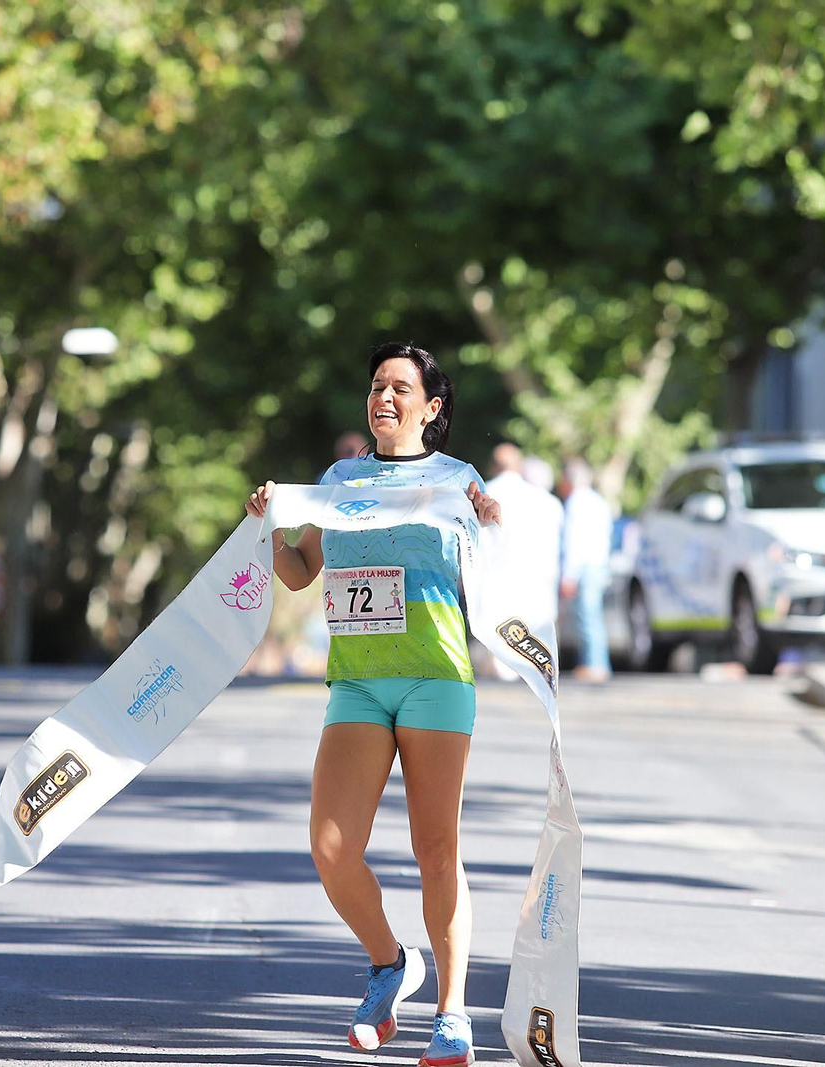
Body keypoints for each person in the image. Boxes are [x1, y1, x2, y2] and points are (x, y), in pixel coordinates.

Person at [246, 342, 500, 1067]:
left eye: (400, 387)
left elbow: (495, 577)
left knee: (436, 849)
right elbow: (299, 572)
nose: (383, 397)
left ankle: (452, 1015)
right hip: (357, 679)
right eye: (376, 386)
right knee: (330, 848)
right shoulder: (341, 478)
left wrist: (493, 521)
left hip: (436, 677)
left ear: (432, 405)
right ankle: (391, 962)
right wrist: (268, 524)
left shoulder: (459, 481)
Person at [485, 444, 564, 681]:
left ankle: (505, 673)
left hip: (501, 574)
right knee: (539, 630)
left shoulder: (485, 494)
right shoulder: (548, 501)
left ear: (493, 466)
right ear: (519, 466)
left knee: (502, 631)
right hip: (539, 575)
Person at [558, 457, 613, 682]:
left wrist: (569, 575)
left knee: (587, 616)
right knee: (593, 616)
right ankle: (596, 662)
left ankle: (595, 664)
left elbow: (574, 541)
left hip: (584, 566)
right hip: (599, 563)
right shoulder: (599, 501)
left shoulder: (576, 503)